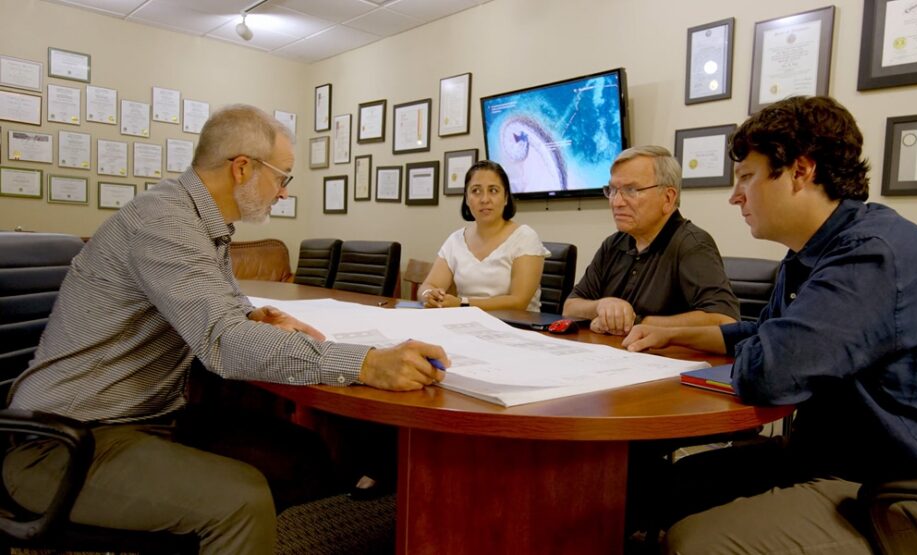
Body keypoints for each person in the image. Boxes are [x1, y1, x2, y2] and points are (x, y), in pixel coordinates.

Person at [4, 104, 450, 554]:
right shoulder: (165, 224)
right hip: (62, 442)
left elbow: (222, 302)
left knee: (302, 459)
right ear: (242, 168)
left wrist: (254, 315)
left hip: (141, 417)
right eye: (282, 177)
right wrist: (367, 363)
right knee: (241, 501)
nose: (283, 193)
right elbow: (224, 344)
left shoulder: (196, 222)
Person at [623, 96, 917, 554]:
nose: (735, 195)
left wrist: (765, 348)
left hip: (915, 491)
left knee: (696, 543)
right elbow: (761, 335)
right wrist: (672, 330)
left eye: (747, 177)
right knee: (647, 491)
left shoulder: (875, 252)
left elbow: (768, 373)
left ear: (801, 172)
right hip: (832, 456)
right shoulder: (809, 252)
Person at [562, 145, 738, 335]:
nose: (616, 202)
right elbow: (570, 307)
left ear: (668, 198)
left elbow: (725, 320)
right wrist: (600, 306)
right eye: (612, 190)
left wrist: (637, 322)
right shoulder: (613, 244)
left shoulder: (692, 244)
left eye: (631, 190)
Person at [419, 160, 550, 311]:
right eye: (476, 191)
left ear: (506, 197)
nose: (484, 199)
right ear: (467, 199)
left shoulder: (525, 237)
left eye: (493, 190)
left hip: (516, 328)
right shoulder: (455, 240)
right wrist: (430, 295)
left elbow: (518, 302)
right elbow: (429, 285)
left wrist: (462, 303)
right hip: (465, 326)